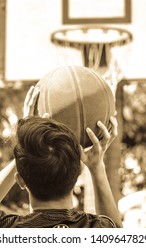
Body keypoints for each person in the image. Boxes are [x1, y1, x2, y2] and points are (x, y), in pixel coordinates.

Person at [0, 87, 123, 228]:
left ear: (20, 180)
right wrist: (96, 167)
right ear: (78, 172)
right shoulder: (96, 230)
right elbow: (117, 233)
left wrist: (28, 147)